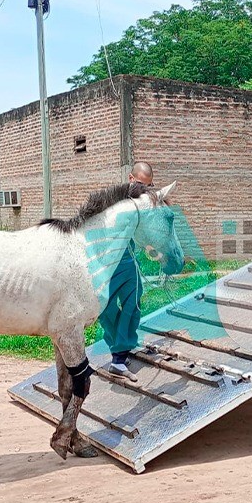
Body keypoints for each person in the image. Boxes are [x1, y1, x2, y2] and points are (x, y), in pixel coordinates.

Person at [101, 162, 154, 378]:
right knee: (107, 307)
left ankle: (122, 351)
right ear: (131, 179)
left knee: (133, 303)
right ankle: (119, 352)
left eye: (148, 186)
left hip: (128, 257)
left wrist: (151, 248)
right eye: (141, 184)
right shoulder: (115, 200)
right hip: (110, 259)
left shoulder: (140, 203)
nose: (144, 190)